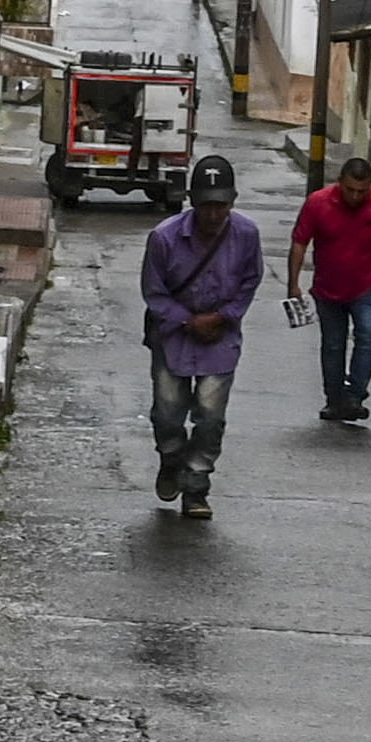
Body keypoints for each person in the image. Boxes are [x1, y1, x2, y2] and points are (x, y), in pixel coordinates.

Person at [139, 153, 260, 521]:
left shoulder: (246, 235)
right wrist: (188, 321)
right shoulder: (164, 238)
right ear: (192, 200)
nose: (213, 214)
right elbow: (153, 291)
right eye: (206, 205)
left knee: (210, 415)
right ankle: (171, 460)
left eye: (221, 206)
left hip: (220, 339)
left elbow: (250, 281)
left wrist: (223, 317)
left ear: (233, 202)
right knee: (168, 414)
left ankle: (196, 487)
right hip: (173, 336)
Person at [287, 150, 371, 421]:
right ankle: (334, 400)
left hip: (369, 286)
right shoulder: (318, 203)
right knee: (333, 345)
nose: (355, 196)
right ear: (339, 182)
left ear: (370, 185)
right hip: (328, 288)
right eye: (350, 190)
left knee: (368, 337)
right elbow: (300, 242)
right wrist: (293, 284)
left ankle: (354, 395)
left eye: (362, 190)